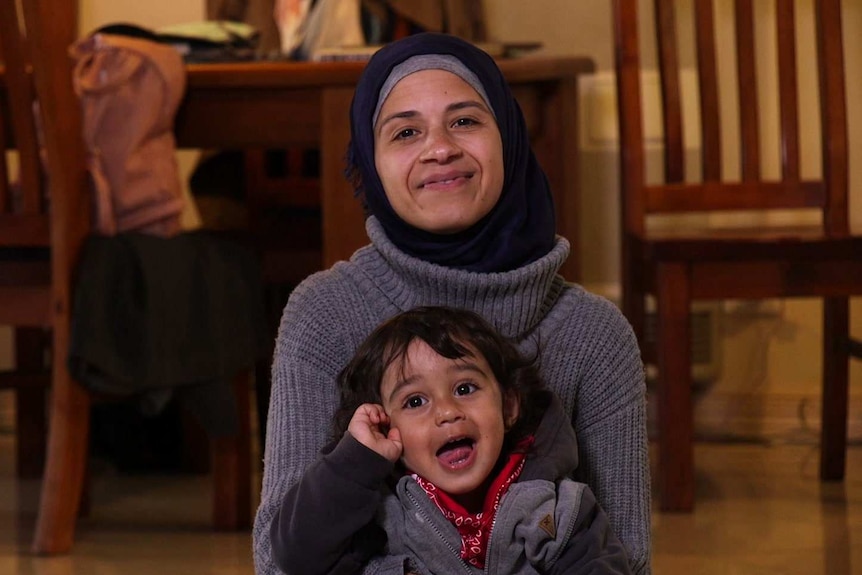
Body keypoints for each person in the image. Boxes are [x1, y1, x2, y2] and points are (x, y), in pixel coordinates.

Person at [252, 32, 651, 575]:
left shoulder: (594, 335)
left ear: (507, 138)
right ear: (374, 163)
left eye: (464, 121)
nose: (439, 148)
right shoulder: (325, 313)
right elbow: (280, 563)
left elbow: (628, 560)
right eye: (406, 131)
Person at [270, 306, 633, 574]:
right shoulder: (380, 518)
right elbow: (298, 556)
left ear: (508, 406)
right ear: (386, 428)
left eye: (465, 388)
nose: (446, 412)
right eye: (415, 401)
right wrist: (354, 462)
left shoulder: (559, 511)